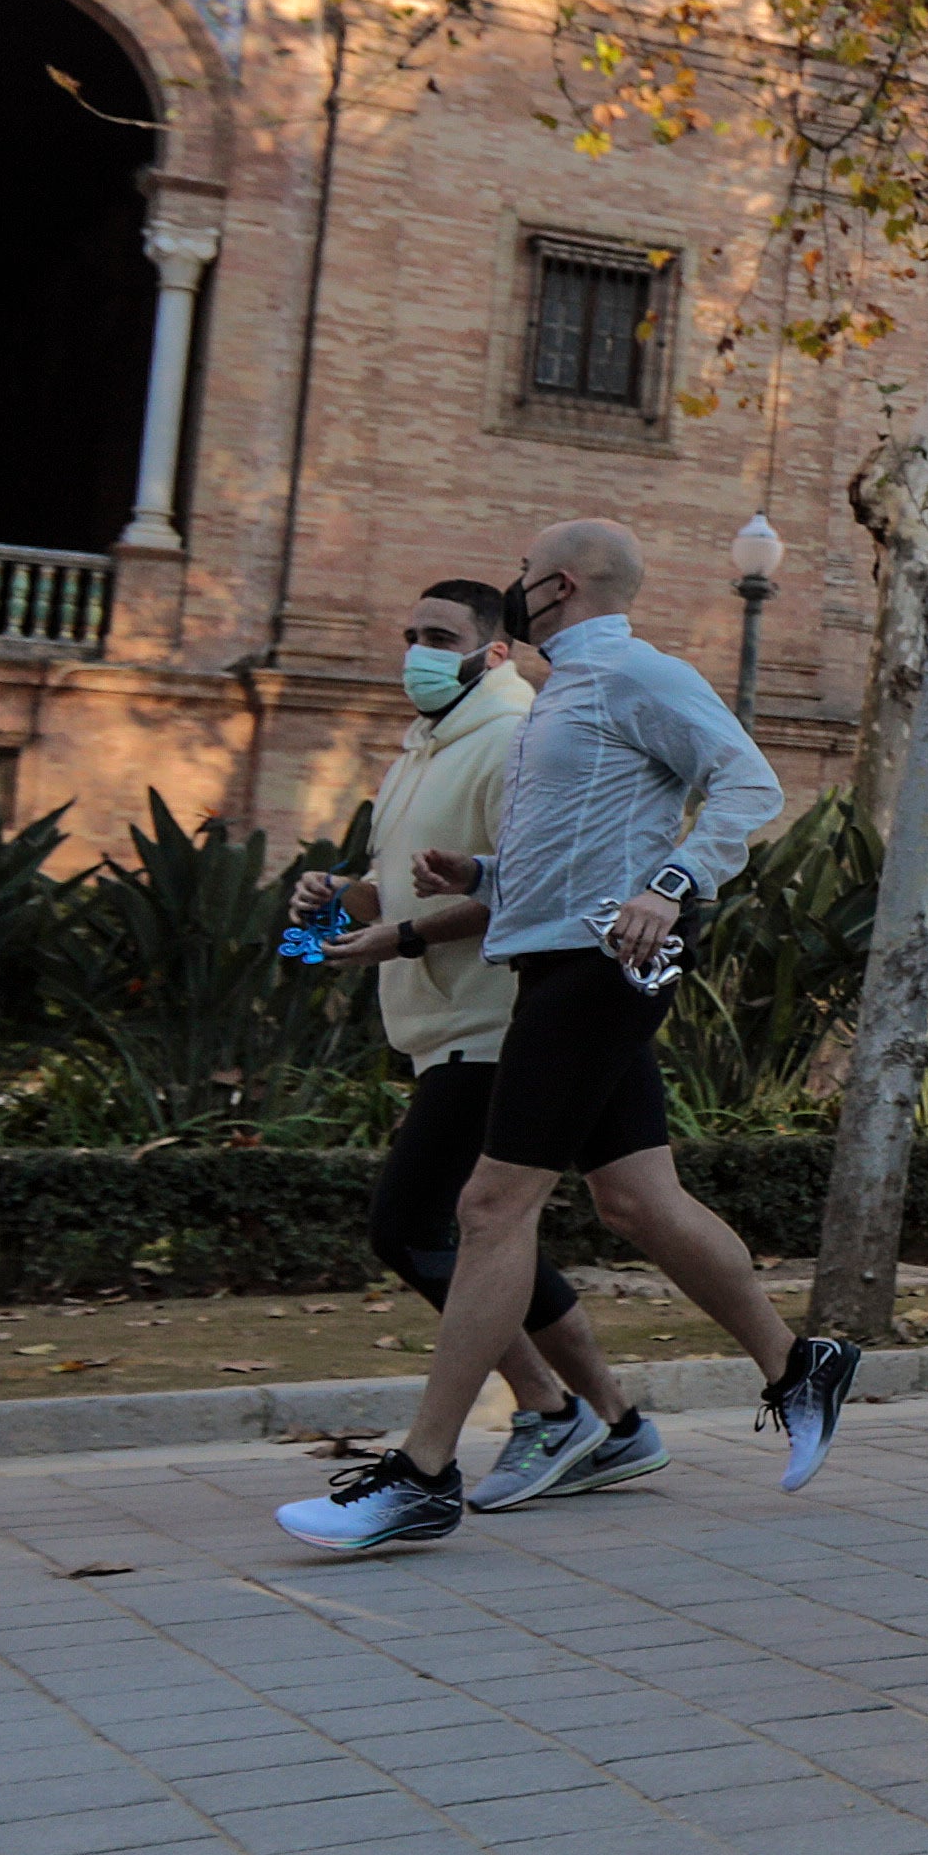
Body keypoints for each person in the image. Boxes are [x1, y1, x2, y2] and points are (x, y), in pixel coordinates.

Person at [277, 519, 857, 1554]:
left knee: (491, 1206)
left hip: (599, 971)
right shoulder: (563, 699)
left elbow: (750, 782)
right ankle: (798, 1365)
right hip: (554, 961)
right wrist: (487, 878)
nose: (516, 590)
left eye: (523, 578)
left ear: (555, 585)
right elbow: (592, 841)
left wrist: (672, 886)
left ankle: (422, 1473)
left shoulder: (635, 673)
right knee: (639, 1200)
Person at [282, 579, 649, 1508]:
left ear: (494, 652)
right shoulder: (423, 747)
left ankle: (549, 1410)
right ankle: (612, 1421)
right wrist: (342, 895)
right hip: (443, 1028)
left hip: (500, 1023)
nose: (415, 649)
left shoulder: (518, 741)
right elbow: (394, 881)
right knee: (492, 1230)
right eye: (408, 632)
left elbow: (527, 889)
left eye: (438, 635)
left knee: (414, 1225)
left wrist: (402, 937)